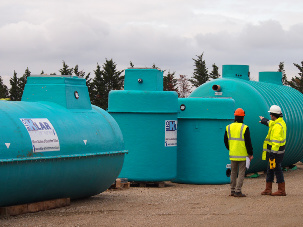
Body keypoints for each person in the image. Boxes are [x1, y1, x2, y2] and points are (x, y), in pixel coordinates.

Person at [224, 108, 253, 197]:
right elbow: (248, 142)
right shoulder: (245, 128)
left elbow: (225, 140)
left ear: (235, 117)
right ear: (243, 118)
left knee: (233, 172)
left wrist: (231, 148)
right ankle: (238, 191)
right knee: (241, 173)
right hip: (242, 155)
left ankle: (232, 190)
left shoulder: (228, 127)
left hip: (233, 154)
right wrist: (250, 153)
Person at [259, 105, 287, 196]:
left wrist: (273, 154)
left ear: (273, 115)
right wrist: (265, 121)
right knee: (270, 168)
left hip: (276, 152)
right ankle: (268, 189)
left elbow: (275, 142)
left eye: (270, 114)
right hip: (277, 152)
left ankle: (281, 190)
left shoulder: (277, 126)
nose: (270, 115)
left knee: (277, 169)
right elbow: (272, 123)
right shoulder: (279, 122)